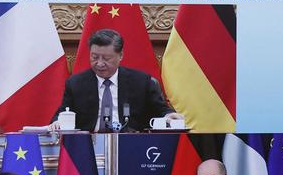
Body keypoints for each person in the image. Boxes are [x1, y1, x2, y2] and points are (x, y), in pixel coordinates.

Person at [49, 28, 183, 132]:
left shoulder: (141, 82)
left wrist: (169, 115)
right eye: (94, 57)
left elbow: (161, 110)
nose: (99, 63)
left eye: (106, 59)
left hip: (133, 145)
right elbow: (62, 113)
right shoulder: (76, 83)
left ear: (121, 56)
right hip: (89, 147)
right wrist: (57, 122)